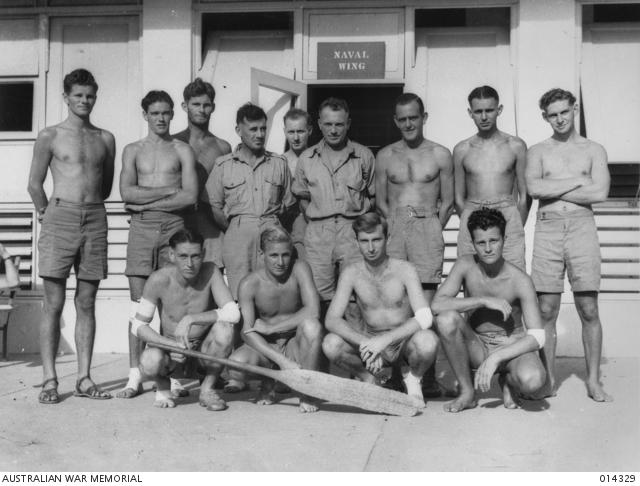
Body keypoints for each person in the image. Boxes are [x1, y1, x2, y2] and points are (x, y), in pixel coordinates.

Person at [27, 68, 115, 404]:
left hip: (94, 217)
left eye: (90, 95)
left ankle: (84, 377)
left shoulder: (105, 138)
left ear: (96, 96)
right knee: (53, 303)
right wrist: (46, 211)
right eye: (78, 95)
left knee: (87, 301)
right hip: (60, 216)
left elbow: (104, 186)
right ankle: (50, 379)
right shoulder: (50, 135)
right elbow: (34, 184)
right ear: (66, 97)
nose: (84, 101)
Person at [525, 88, 612, 402]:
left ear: (574, 109)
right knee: (546, 308)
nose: (559, 119)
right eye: (553, 114)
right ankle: (547, 380)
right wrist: (578, 181)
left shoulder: (594, 149)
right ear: (545, 117)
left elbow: (600, 193)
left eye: (564, 112)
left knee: (588, 307)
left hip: (581, 228)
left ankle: (592, 381)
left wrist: (554, 190)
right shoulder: (537, 151)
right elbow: (534, 187)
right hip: (547, 229)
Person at [117, 90, 198, 399]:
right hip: (141, 227)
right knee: (139, 305)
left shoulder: (182, 150)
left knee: (170, 303)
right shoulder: (132, 150)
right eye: (155, 113)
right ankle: (135, 375)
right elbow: (127, 193)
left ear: (172, 114)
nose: (161, 118)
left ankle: (171, 375)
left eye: (166, 113)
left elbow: (189, 196)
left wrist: (146, 194)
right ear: (145, 115)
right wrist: (168, 190)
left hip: (174, 226)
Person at [375, 93, 454, 396]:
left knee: (427, 304)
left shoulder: (440, 154)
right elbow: (381, 201)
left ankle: (428, 377)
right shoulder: (385, 156)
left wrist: (431, 227)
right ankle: (397, 376)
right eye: (402, 118)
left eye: (414, 117)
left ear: (424, 117)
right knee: (397, 303)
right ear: (395, 121)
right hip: (395, 225)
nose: (408, 123)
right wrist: (396, 227)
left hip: (427, 226)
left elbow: (447, 202)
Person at [431, 208, 546, 413]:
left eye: (494, 241)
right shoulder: (465, 265)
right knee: (446, 320)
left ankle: (508, 379)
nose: (488, 248)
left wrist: (497, 357)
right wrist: (483, 300)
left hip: (512, 345)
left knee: (533, 381)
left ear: (504, 239)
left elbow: (538, 336)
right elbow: (437, 305)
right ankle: (467, 393)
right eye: (481, 243)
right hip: (479, 345)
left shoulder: (519, 280)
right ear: (473, 244)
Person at [322, 212, 439, 407]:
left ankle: (412, 378)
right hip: (370, 340)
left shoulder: (405, 269)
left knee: (428, 341)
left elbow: (425, 317)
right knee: (330, 344)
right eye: (364, 241)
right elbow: (331, 320)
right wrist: (366, 343)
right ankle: (370, 379)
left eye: (376, 239)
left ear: (387, 238)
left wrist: (384, 341)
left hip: (402, 342)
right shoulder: (351, 273)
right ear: (356, 241)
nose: (371, 248)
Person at [131, 229, 240, 410]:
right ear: (171, 255)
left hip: (202, 352)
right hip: (171, 352)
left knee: (225, 329)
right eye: (183, 256)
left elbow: (233, 313)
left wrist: (190, 319)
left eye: (195, 256)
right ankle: (164, 388)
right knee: (149, 359)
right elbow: (138, 326)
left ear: (203, 254)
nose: (190, 263)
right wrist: (169, 344)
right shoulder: (158, 279)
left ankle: (207, 389)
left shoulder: (211, 271)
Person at [225, 226, 323, 412]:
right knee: (236, 367)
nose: (280, 262)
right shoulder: (249, 284)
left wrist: (272, 328)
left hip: (294, 344)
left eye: (285, 255)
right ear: (262, 254)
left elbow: (313, 310)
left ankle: (306, 391)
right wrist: (281, 360)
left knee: (312, 326)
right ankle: (268, 382)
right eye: (273, 255)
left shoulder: (300, 269)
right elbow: (247, 332)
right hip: (267, 350)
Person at [292, 98, 375, 311]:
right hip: (319, 232)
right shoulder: (307, 158)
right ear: (319, 124)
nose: (334, 130)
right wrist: (319, 218)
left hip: (353, 231)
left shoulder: (363, 155)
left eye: (339, 124)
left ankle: (356, 344)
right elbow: (302, 197)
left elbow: (372, 197)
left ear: (348, 123)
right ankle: (324, 343)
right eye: (328, 124)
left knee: (356, 295)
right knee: (318, 296)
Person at [206, 103, 294, 300]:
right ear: (239, 130)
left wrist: (274, 224)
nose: (260, 134)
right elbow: (213, 205)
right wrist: (233, 227)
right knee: (240, 295)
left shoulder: (279, 164)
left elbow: (289, 204)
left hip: (272, 234)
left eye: (263, 128)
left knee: (273, 293)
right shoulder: (224, 165)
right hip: (238, 238)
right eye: (253, 129)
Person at [453, 86, 529, 270]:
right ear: (470, 113)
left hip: (507, 215)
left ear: (499, 110)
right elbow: (458, 197)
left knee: (513, 276)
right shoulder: (462, 149)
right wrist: (470, 221)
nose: (484, 117)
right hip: (473, 214)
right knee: (471, 277)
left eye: (489, 110)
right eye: (478, 111)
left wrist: (515, 226)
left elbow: (525, 195)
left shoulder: (515, 146)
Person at [174, 78, 232, 268]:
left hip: (210, 226)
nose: (201, 109)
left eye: (206, 105)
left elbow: (228, 192)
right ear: (185, 106)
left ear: (213, 107)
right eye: (196, 104)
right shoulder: (173, 143)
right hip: (178, 220)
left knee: (211, 280)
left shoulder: (222, 147)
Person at [281, 108, 313, 261]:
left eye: (300, 131)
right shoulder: (279, 162)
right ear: (285, 132)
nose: (296, 138)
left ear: (310, 130)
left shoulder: (317, 159)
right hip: (285, 225)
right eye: (291, 132)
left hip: (311, 224)